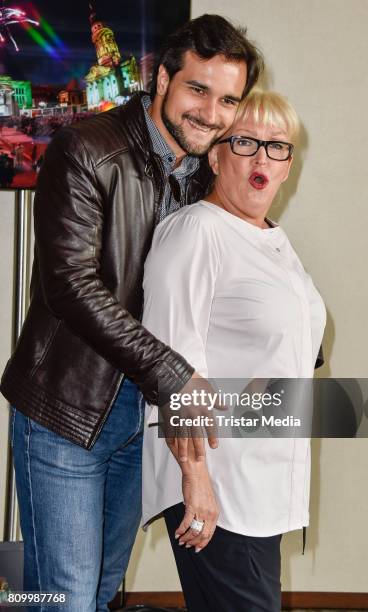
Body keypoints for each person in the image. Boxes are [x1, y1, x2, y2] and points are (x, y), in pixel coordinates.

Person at [0, 14, 262, 612]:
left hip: (139, 419)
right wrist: (173, 374)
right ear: (163, 79)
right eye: (198, 90)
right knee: (61, 598)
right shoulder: (88, 148)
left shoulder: (203, 174)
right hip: (67, 407)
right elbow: (71, 285)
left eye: (228, 100)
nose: (212, 114)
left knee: (101, 588)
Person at [142, 89, 326, 611]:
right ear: (216, 156)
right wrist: (195, 481)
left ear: (289, 165)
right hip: (220, 483)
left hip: (264, 480)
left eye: (277, 146)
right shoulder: (197, 232)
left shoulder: (271, 239)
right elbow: (170, 367)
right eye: (245, 142)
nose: (262, 157)